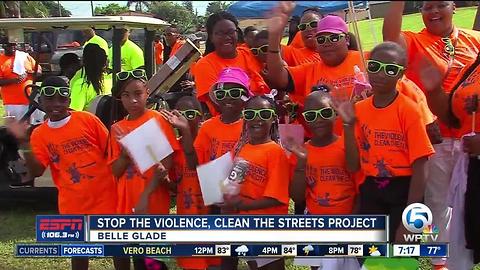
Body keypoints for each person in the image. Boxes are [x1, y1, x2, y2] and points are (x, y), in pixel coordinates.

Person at [383, 3, 480, 267]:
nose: (433, 11)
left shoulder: (475, 40)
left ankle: (465, 257)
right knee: (436, 204)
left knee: (467, 201)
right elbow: (390, 37)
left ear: (454, 8)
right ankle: (439, 261)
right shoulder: (415, 41)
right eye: (427, 6)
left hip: (469, 139)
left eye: (441, 5)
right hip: (433, 139)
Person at [6, 76, 118, 270]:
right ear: (40, 102)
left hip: (108, 199)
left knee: (117, 249)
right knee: (78, 252)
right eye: (50, 99)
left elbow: (111, 152)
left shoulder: (87, 120)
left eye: (62, 99)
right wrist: (25, 145)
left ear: (69, 100)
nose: (56, 104)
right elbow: (36, 171)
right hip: (73, 205)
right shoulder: (40, 134)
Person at [338, 42, 434, 242]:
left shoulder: (409, 110)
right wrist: (348, 126)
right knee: (373, 256)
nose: (380, 74)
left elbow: (421, 165)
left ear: (401, 74)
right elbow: (353, 165)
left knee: (400, 258)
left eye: (390, 69)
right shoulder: (360, 109)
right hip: (372, 189)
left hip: (404, 190)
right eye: (374, 67)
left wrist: (409, 219)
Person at [108, 69, 179, 270]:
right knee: (127, 251)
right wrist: (125, 154)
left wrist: (145, 197)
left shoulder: (157, 119)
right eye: (126, 95)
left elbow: (166, 162)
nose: (133, 100)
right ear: (120, 98)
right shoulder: (117, 128)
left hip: (152, 201)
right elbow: (115, 171)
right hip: (126, 203)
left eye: (138, 93)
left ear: (147, 92)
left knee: (149, 261)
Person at [419, 53, 480, 270]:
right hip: (471, 165)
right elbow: (451, 118)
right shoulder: (473, 68)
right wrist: (434, 91)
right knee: (466, 232)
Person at [288, 90, 359, 270]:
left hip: (347, 223)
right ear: (304, 119)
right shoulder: (302, 152)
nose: (318, 120)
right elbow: (297, 197)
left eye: (325, 113)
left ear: (335, 114)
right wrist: (301, 163)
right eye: (311, 115)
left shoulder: (346, 146)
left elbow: (357, 180)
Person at [267, 4, 365, 134]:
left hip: (365, 145)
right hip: (325, 149)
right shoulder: (309, 70)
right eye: (321, 39)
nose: (327, 43)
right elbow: (276, 77)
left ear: (346, 39)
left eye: (334, 38)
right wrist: (274, 36)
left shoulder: (366, 60)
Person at [221, 94, 289, 270]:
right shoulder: (244, 148)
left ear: (273, 119)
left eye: (264, 114)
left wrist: (241, 205)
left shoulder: (275, 152)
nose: (257, 119)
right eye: (251, 114)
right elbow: (234, 184)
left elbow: (276, 198)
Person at [160, 96, 217, 270]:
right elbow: (175, 185)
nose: (184, 119)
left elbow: (211, 182)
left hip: (210, 218)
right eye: (180, 114)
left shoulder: (209, 143)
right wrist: (164, 180)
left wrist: (185, 133)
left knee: (215, 263)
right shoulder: (173, 149)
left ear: (201, 118)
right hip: (187, 219)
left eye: (190, 114)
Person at [194, 11, 270, 116]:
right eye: (220, 33)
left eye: (231, 32)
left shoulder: (249, 53)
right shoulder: (204, 65)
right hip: (232, 125)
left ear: (237, 33)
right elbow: (219, 105)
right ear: (211, 37)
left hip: (266, 117)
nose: (227, 37)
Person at [0, 42, 41, 121]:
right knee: (15, 129)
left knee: (30, 126)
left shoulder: (25, 56)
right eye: (9, 45)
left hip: (30, 100)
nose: (13, 47)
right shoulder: (1, 60)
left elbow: (39, 72)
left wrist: (30, 72)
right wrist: (14, 80)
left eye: (14, 44)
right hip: (12, 103)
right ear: (4, 45)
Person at [69, 43, 112, 111]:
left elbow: (74, 112)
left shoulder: (81, 84)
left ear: (83, 61)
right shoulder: (112, 80)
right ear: (106, 63)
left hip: (88, 121)